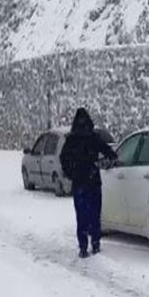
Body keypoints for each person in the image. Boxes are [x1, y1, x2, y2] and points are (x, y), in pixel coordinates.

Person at [59, 107, 117, 258]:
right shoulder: (93, 138)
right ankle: (95, 243)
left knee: (82, 216)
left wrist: (70, 173)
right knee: (94, 214)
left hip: (80, 182)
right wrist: (112, 157)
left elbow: (63, 159)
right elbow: (107, 150)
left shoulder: (72, 140)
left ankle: (84, 246)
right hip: (92, 180)